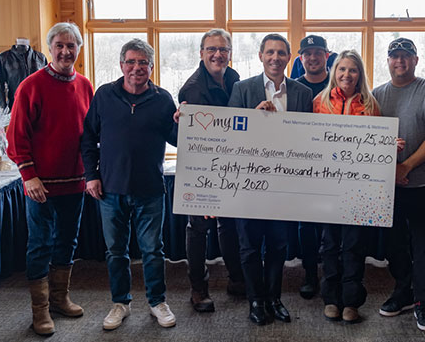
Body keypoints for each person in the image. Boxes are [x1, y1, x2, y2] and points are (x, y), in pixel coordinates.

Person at [81, 39, 178, 331]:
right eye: (131, 62)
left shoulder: (162, 99)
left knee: (152, 251)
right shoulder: (104, 95)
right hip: (110, 190)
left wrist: (181, 122)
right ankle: (120, 303)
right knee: (116, 252)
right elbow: (88, 139)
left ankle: (157, 302)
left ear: (151, 66)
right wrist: (91, 175)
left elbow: (176, 139)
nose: (137, 68)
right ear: (122, 65)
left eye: (143, 63)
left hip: (149, 189)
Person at [6, 22, 93, 336]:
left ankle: (59, 298)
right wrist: (28, 175)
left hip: (75, 182)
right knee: (40, 245)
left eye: (72, 46)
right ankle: (39, 311)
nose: (66, 51)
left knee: (67, 242)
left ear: (78, 50)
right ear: (50, 48)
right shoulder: (31, 86)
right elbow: (16, 137)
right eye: (60, 45)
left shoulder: (85, 85)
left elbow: (91, 134)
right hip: (40, 185)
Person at [227, 33, 313, 325]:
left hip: (284, 184)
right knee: (250, 246)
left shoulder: (302, 93)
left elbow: (308, 138)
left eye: (281, 53)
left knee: (278, 245)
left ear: (290, 58)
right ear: (260, 56)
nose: (275, 58)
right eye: (270, 53)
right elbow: (228, 134)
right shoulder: (242, 89)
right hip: (248, 182)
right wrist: (252, 117)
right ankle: (256, 301)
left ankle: (274, 299)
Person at [373, 38, 425, 332]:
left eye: (406, 56)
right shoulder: (377, 94)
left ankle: (424, 303)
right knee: (394, 246)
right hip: (387, 186)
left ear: (416, 60)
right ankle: (403, 292)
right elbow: (368, 137)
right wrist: (392, 169)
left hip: (421, 184)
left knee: (422, 246)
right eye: (394, 57)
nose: (400, 61)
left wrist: (406, 166)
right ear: (388, 61)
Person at [178, 29, 246, 312]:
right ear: (201, 53)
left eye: (223, 49)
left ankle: (236, 278)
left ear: (230, 53)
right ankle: (198, 288)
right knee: (199, 228)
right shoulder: (193, 89)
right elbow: (197, 141)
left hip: (230, 166)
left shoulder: (234, 78)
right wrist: (207, 187)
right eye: (211, 49)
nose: (218, 54)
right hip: (201, 168)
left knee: (229, 225)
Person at [312, 50, 379, 324]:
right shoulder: (320, 101)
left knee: (353, 244)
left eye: (352, 70)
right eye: (341, 70)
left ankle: (351, 301)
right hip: (327, 184)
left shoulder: (371, 104)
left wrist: (389, 145)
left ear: (360, 74)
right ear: (333, 72)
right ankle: (331, 298)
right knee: (329, 244)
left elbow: (377, 143)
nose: (346, 75)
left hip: (359, 187)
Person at [294, 34, 330, 300]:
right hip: (303, 168)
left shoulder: (341, 82)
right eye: (308, 54)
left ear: (327, 55)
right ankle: (309, 274)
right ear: (301, 58)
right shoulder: (294, 89)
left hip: (337, 168)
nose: (313, 57)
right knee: (306, 226)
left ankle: (332, 276)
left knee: (332, 226)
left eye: (318, 52)